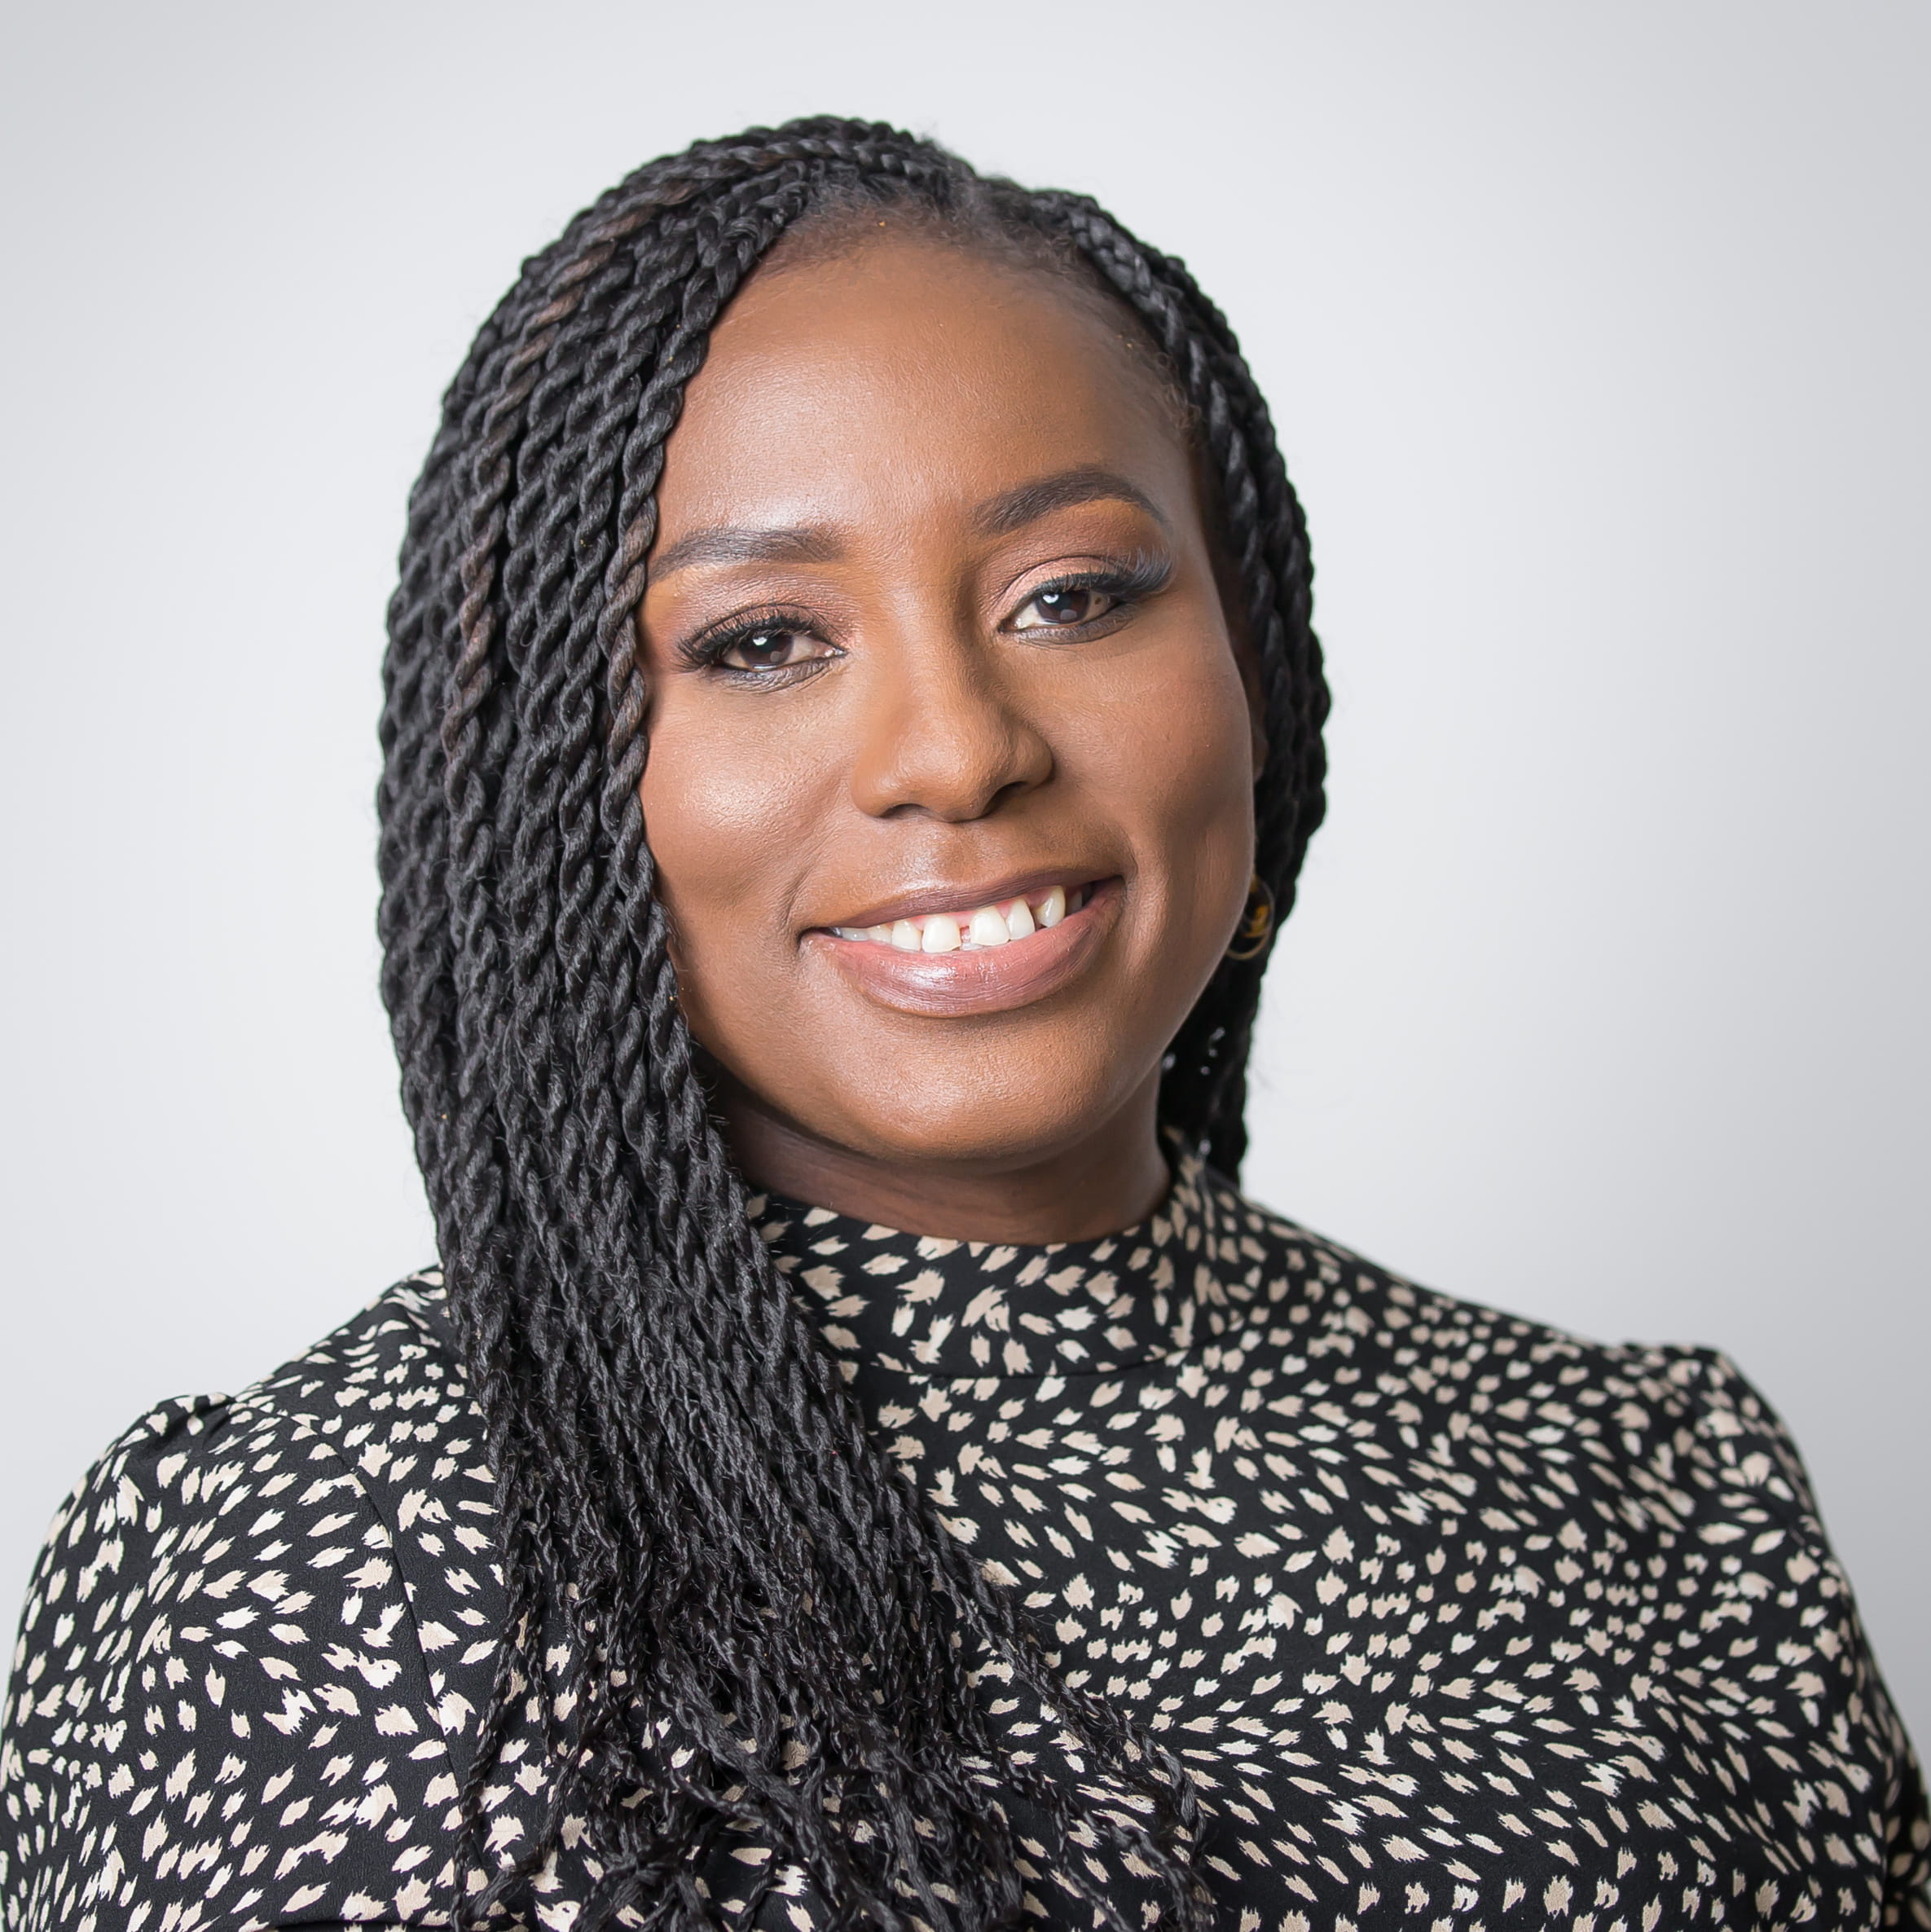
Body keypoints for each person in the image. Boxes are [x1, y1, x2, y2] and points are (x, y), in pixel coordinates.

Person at [2, 116, 1924, 1932]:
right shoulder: (321, 1557)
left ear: (1253, 663)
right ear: (541, 787)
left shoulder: (1656, 1475)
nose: (958, 747)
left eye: (1072, 595)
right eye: (763, 640)